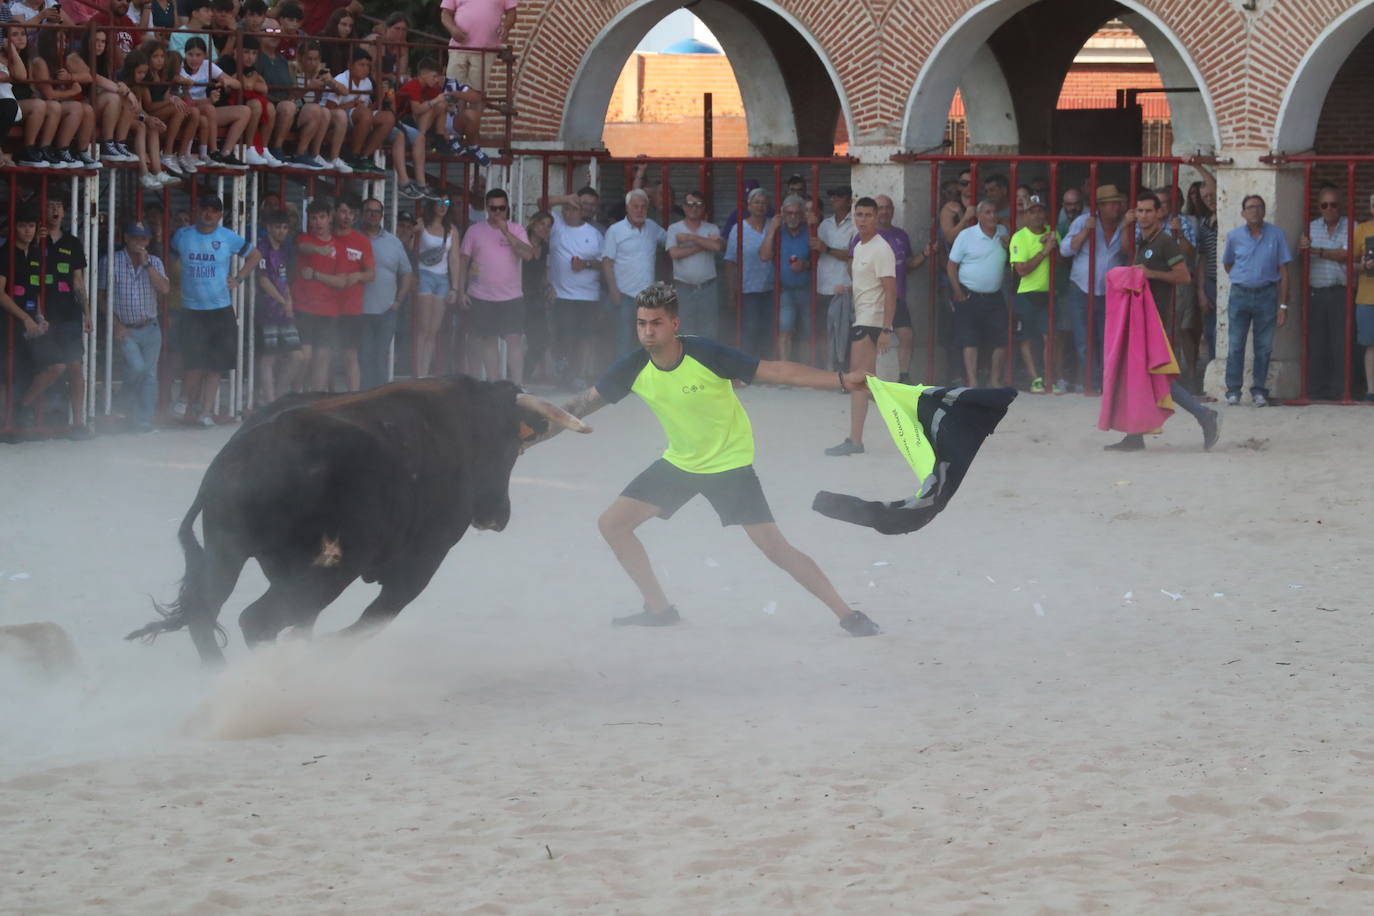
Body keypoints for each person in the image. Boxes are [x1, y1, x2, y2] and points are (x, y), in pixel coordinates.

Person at [553, 281, 881, 638]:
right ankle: (659, 609)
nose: (648, 331)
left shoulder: (704, 353)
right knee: (613, 525)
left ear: (674, 324)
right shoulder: (632, 367)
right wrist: (526, 438)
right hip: (680, 463)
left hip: (728, 466)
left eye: (656, 322)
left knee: (774, 547)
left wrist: (841, 380)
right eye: (642, 323)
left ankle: (846, 613)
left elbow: (776, 371)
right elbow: (577, 408)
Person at [1103, 192, 1220, 451]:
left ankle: (1204, 415)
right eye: (1140, 211)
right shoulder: (1144, 242)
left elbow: (1184, 276)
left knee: (1160, 378)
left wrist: (1150, 273)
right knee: (1141, 377)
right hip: (1142, 322)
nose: (1144, 215)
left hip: (1154, 322)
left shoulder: (1165, 242)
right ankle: (1135, 435)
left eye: (1148, 211)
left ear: (1158, 214)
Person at [168, 194, 263, 426]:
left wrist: (239, 278)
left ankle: (206, 411)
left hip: (220, 309)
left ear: (220, 215)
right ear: (198, 210)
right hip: (191, 310)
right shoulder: (183, 235)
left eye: (214, 210)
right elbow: (169, 260)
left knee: (216, 364)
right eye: (205, 209)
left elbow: (255, 255)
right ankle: (184, 400)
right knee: (193, 363)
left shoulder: (227, 237)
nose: (208, 214)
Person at [0, 205, 87, 436]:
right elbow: (0, 293)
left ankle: (22, 408)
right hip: (8, 324)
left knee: (58, 365)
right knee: (8, 373)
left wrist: (38, 315)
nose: (27, 231)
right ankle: (8, 425)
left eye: (31, 226)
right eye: (22, 226)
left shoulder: (38, 253)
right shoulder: (4, 253)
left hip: (31, 323)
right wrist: (26, 317)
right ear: (13, 228)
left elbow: (36, 291)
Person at [826, 196, 895, 457]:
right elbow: (868, 285)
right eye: (859, 215)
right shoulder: (860, 245)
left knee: (858, 381)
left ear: (877, 217)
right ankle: (857, 439)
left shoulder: (881, 249)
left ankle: (855, 441)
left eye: (868, 215)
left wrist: (887, 328)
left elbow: (890, 291)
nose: (863, 219)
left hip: (871, 322)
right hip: (863, 317)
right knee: (867, 382)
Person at [1222, 194, 1291, 407]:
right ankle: (1233, 390)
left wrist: (1283, 305)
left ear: (1264, 210)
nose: (1255, 210)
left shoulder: (1277, 235)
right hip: (1240, 294)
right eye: (1250, 207)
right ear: (1243, 213)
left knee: (1264, 347)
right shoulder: (1234, 236)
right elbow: (1228, 264)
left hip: (1267, 294)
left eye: (1259, 207)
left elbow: (1284, 271)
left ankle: (1259, 391)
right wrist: (1243, 278)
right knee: (1235, 345)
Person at [457, 187, 533, 383]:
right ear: (486, 208)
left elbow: (528, 254)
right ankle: (495, 384)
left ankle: (517, 387)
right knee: (488, 341)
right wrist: (460, 291)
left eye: (501, 208)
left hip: (511, 296)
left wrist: (506, 233)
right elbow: (463, 261)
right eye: (493, 208)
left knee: (514, 341)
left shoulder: (517, 229)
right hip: (481, 296)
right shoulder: (475, 230)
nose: (497, 212)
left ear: (507, 208)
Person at [1060, 184, 1130, 392]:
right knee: (1084, 341)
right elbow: (1065, 250)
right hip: (1082, 289)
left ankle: (1106, 383)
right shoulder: (1084, 221)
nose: (1116, 208)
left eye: (1117, 203)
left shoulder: (1124, 225)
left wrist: (1126, 227)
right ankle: (1092, 383)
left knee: (1107, 340)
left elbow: (1129, 253)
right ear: (1100, 207)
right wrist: (1085, 232)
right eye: (1111, 204)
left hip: (1110, 292)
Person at [106, 220, 170, 432]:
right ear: (126, 238)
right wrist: (115, 325)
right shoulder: (111, 261)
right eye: (134, 237)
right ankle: (123, 402)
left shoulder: (155, 262)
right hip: (126, 327)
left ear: (149, 241)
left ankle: (144, 421)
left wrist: (147, 265)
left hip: (151, 327)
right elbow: (101, 297)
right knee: (137, 368)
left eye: (143, 238)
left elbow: (164, 289)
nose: (139, 242)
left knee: (150, 375)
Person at [947, 200, 1010, 388]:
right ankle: (972, 382)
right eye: (988, 212)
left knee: (1000, 339)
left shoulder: (1003, 234)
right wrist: (957, 291)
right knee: (970, 340)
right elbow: (951, 265)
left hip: (995, 295)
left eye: (994, 212)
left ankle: (994, 380)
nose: (992, 216)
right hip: (970, 294)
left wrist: (1009, 245)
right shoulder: (966, 235)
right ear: (980, 216)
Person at [872, 194, 933, 383]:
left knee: (907, 335)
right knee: (869, 341)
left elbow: (908, 265)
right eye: (880, 208)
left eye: (888, 207)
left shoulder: (901, 235)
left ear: (893, 210)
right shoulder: (865, 235)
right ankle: (867, 379)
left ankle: (903, 377)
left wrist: (924, 254)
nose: (884, 211)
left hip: (897, 298)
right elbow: (854, 266)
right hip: (874, 299)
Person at [1298, 183, 1350, 401]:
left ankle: (1341, 389)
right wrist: (1304, 250)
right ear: (1319, 207)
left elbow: (1347, 254)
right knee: (1316, 342)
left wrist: (1317, 251)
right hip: (1316, 294)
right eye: (1325, 205)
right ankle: (1316, 389)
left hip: (1341, 294)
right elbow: (1301, 257)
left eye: (1334, 204)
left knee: (1341, 343)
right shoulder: (1310, 228)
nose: (1329, 209)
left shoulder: (1351, 226)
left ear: (1341, 205)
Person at [548, 188, 604, 386]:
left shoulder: (595, 234)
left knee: (585, 338)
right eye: (566, 209)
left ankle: (579, 376)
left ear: (582, 211)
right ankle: (564, 374)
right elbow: (541, 203)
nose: (568, 213)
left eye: (573, 209)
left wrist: (586, 264)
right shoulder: (557, 226)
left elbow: (604, 262)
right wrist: (564, 197)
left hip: (589, 296)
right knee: (563, 336)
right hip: (562, 295)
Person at [603, 188, 667, 357]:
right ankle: (623, 381)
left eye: (643, 206)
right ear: (627, 208)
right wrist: (613, 290)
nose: (639, 210)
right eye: (635, 206)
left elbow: (671, 240)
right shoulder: (615, 231)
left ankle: (642, 380)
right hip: (624, 295)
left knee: (646, 341)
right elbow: (607, 262)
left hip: (647, 299)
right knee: (623, 340)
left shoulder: (652, 228)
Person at [358, 196, 413, 390]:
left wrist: (398, 300)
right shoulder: (354, 239)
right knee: (364, 357)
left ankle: (379, 399)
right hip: (360, 311)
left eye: (376, 212)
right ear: (362, 214)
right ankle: (362, 398)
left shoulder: (393, 242)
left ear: (382, 216)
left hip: (387, 310)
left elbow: (407, 273)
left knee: (381, 357)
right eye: (369, 211)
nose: (373, 215)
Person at [253, 208, 304, 404]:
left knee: (297, 356)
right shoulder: (262, 248)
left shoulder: (284, 250)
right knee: (268, 358)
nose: (282, 231)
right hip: (268, 310)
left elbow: (284, 281)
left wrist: (288, 301)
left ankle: (279, 397)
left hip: (283, 310)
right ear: (268, 228)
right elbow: (263, 280)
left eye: (285, 227)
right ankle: (269, 401)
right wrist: (285, 301)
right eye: (278, 227)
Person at [1008, 194, 1057, 392]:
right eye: (1032, 211)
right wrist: (1045, 251)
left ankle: (1048, 377)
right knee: (1027, 338)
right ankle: (1035, 379)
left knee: (1048, 337)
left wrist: (1055, 245)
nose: (1037, 215)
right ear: (1025, 214)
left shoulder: (1052, 234)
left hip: (1048, 294)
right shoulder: (1019, 237)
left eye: (1040, 210)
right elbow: (1022, 269)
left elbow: (1062, 262)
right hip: (1026, 294)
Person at [181, 36, 251, 169]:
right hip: (187, 110)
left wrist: (227, 81)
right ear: (185, 54)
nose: (194, 59)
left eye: (198, 55)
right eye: (190, 54)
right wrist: (209, 100)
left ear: (204, 56)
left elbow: (237, 84)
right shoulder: (180, 68)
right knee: (209, 108)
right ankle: (213, 151)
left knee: (245, 111)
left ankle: (225, 153)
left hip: (206, 111)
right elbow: (185, 100)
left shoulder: (208, 65)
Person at [663, 188, 723, 339]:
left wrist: (691, 237)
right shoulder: (674, 228)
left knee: (709, 333)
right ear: (683, 207)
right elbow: (674, 254)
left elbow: (717, 247)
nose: (694, 208)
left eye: (698, 204)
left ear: (703, 208)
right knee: (684, 332)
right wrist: (704, 244)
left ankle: (705, 362)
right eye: (690, 204)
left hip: (707, 288)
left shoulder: (711, 227)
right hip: (684, 289)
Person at [322, 47, 391, 174]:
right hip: (335, 119)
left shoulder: (367, 82)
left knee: (388, 118)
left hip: (356, 118)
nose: (365, 69)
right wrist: (351, 104)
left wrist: (380, 97)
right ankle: (354, 156)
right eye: (361, 65)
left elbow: (368, 110)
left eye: (368, 66)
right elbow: (328, 110)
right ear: (350, 65)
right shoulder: (340, 80)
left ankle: (364, 157)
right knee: (364, 114)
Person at [760, 193, 812, 362]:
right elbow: (764, 256)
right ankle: (784, 369)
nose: (793, 217)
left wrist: (806, 265)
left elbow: (820, 258)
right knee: (785, 331)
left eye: (797, 213)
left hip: (807, 289)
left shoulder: (810, 231)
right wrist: (771, 230)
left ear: (803, 214)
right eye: (789, 213)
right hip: (785, 290)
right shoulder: (778, 233)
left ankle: (806, 371)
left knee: (807, 332)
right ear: (782, 215)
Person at [138, 39, 202, 176]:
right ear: (147, 57)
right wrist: (172, 101)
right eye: (155, 57)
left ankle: (183, 154)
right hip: (148, 115)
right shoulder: (145, 77)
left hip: (162, 112)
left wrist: (174, 98)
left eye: (162, 56)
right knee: (178, 110)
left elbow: (168, 97)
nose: (160, 60)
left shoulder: (163, 76)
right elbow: (148, 106)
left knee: (195, 112)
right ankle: (167, 153)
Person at [722, 187, 772, 357]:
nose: (760, 206)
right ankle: (748, 370)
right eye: (756, 202)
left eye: (764, 203)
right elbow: (730, 261)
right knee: (748, 331)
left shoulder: (773, 226)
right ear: (748, 206)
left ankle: (768, 371)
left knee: (768, 331)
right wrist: (731, 291)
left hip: (771, 289)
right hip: (747, 290)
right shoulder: (739, 228)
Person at [411, 195, 456, 377]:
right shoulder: (422, 224)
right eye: (439, 201)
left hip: (443, 279)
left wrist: (455, 288)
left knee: (434, 329)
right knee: (423, 327)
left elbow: (454, 259)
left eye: (446, 202)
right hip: (424, 275)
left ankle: (425, 372)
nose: (443, 206)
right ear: (432, 203)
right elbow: (408, 245)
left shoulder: (452, 229)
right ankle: (419, 374)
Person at [811, 184, 855, 367]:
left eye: (838, 196)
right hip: (824, 287)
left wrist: (827, 249)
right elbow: (814, 248)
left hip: (843, 288)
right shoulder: (825, 225)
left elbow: (852, 255)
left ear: (849, 200)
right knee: (825, 332)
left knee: (842, 334)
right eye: (832, 196)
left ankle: (841, 371)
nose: (833, 200)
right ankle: (826, 369)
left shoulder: (855, 225)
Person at [440, 0, 515, 97]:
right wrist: (453, 29)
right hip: (458, 48)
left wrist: (506, 27)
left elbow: (512, 12)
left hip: (485, 50)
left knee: (477, 93)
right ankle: (456, 112)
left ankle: (473, 113)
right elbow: (445, 13)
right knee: (452, 90)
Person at [520, 209, 555, 384]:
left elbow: (542, 273)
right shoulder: (521, 241)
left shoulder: (545, 247)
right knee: (515, 338)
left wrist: (548, 286)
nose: (545, 229)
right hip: (519, 296)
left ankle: (522, 376)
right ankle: (516, 376)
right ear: (533, 223)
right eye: (542, 224)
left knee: (542, 339)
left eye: (548, 226)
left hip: (536, 297)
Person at [1352, 193, 1374, 401]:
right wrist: (1364, 266)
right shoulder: (1362, 230)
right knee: (1370, 345)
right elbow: (1350, 264)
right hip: (1367, 297)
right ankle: (1371, 391)